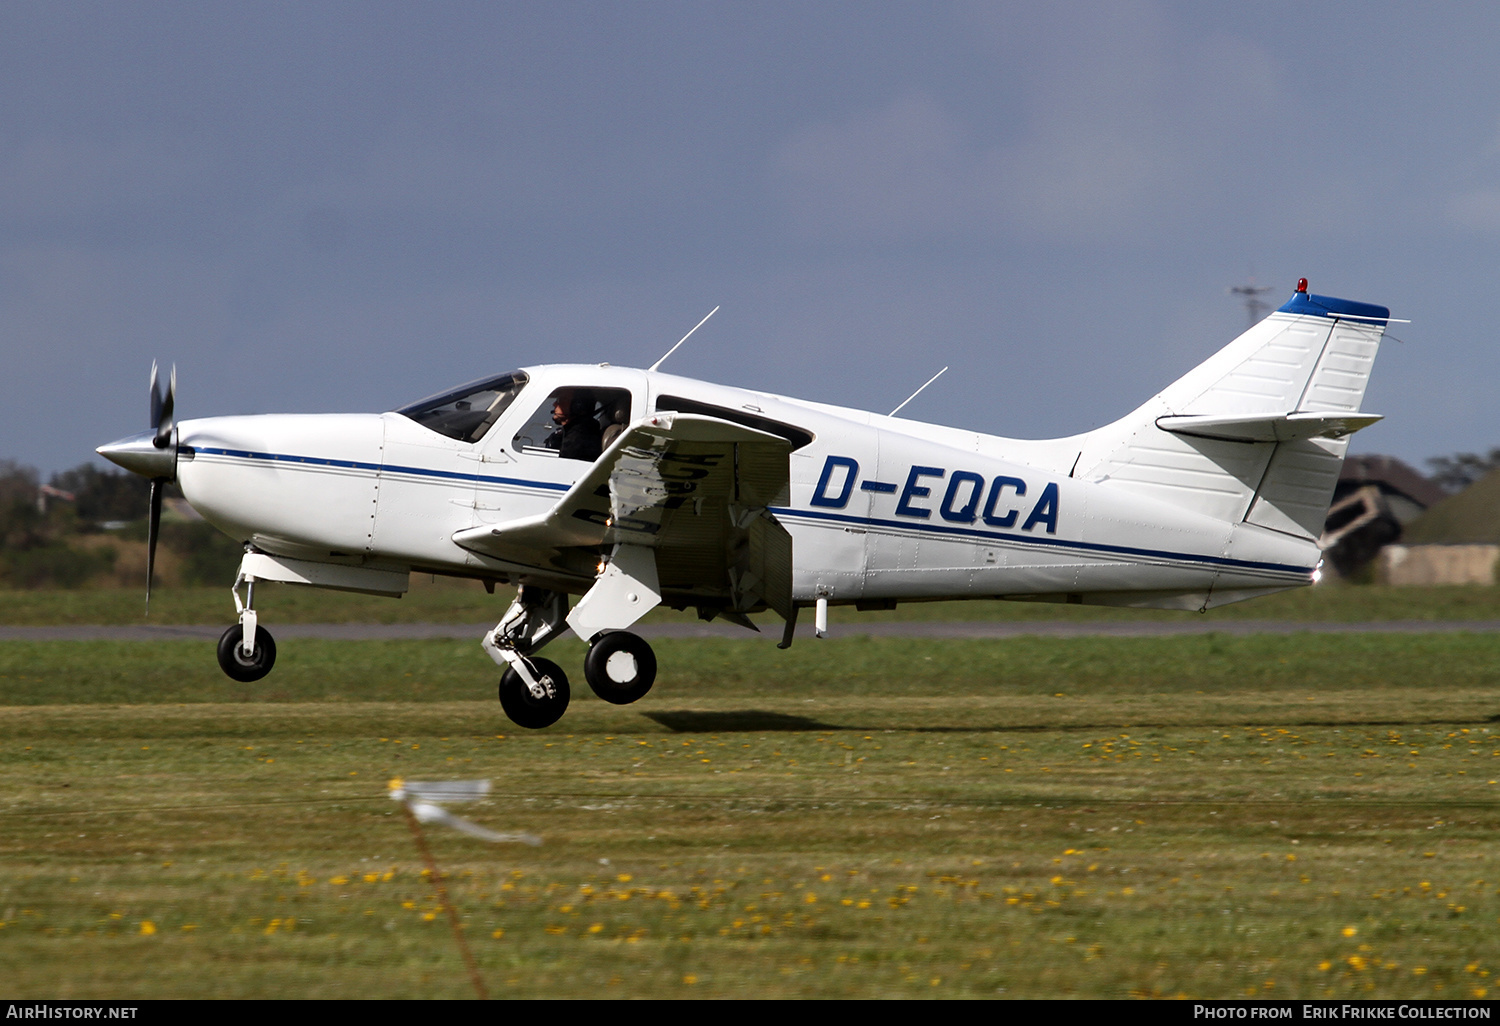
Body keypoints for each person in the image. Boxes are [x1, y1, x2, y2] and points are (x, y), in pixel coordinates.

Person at [544, 389, 603, 461]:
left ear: (578, 406)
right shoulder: (579, 430)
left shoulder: (579, 438)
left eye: (561, 400)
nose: (554, 404)